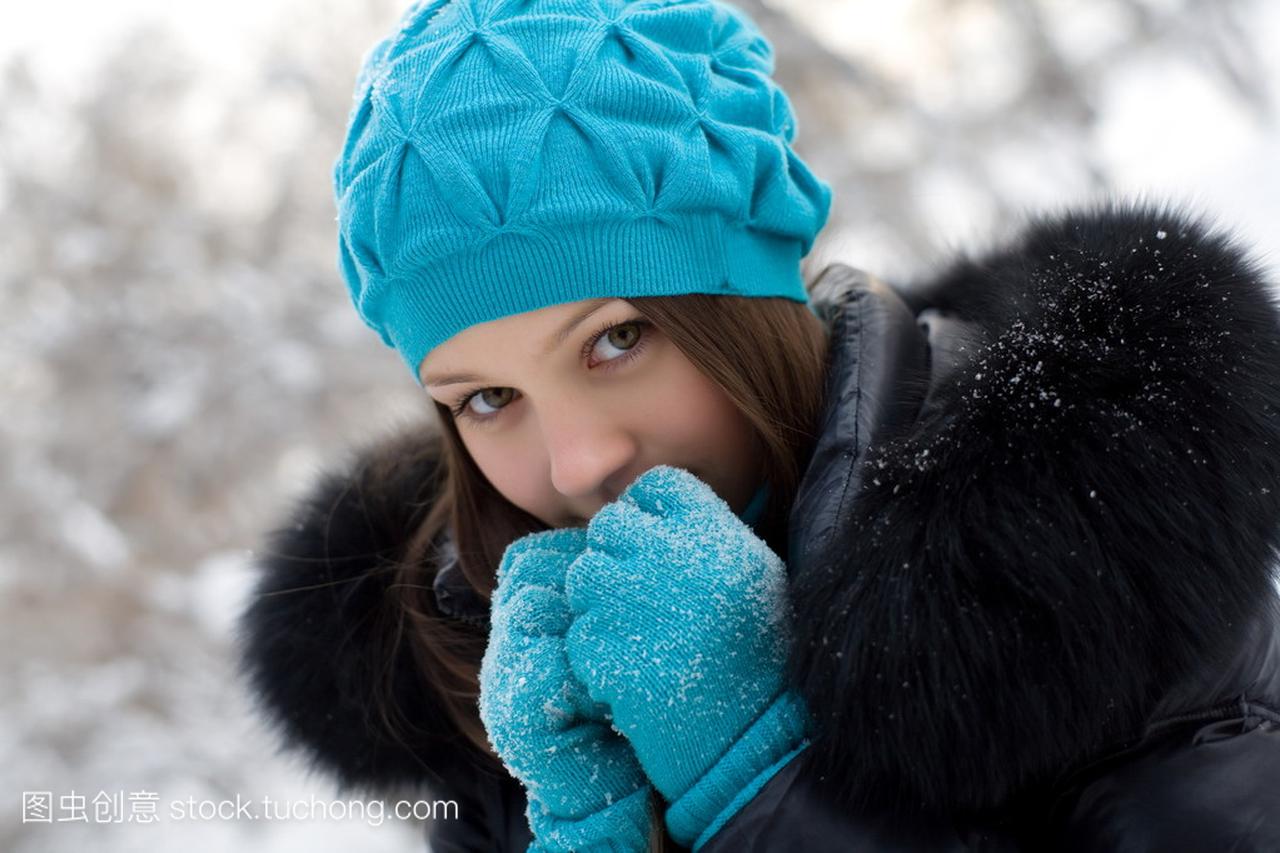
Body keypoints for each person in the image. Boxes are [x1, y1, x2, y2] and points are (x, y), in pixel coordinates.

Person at [235, 0, 1280, 850]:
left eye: (616, 339)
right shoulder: (491, 685)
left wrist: (759, 786)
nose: (576, 462)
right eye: (487, 399)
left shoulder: (1089, 565)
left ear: (747, 299)